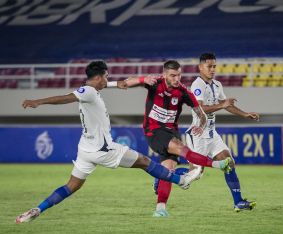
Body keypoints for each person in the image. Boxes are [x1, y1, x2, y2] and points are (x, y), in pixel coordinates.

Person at [15, 60, 202, 224]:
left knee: (71, 186)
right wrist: (38, 102)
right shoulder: (87, 91)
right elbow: (66, 98)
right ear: (98, 78)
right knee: (145, 162)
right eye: (106, 76)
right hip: (103, 149)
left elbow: (108, 84)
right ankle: (181, 180)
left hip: (86, 149)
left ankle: (38, 209)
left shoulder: (92, 90)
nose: (107, 80)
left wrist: (122, 83)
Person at [107, 60, 232, 217]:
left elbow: (201, 114)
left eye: (179, 75)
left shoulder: (184, 92)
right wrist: (142, 79)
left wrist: (201, 124)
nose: (176, 79)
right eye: (173, 75)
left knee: (168, 170)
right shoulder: (155, 82)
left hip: (171, 131)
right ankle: (217, 164)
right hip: (153, 130)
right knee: (181, 148)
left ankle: (160, 209)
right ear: (165, 74)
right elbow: (127, 82)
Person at [185, 53, 260, 212]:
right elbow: (200, 108)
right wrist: (223, 104)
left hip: (212, 134)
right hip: (198, 136)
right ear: (200, 67)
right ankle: (164, 176)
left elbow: (226, 105)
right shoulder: (197, 85)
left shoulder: (217, 85)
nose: (212, 69)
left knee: (229, 163)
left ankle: (238, 202)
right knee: (195, 174)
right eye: (209, 66)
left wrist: (245, 114)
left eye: (214, 66)